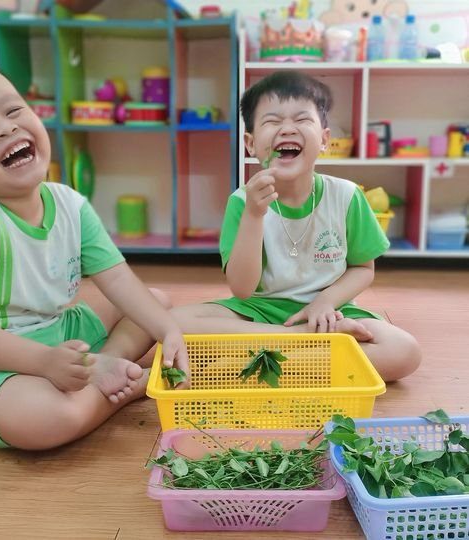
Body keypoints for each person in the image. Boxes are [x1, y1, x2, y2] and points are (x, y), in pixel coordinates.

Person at [0, 59, 188, 451]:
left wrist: (168, 331)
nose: (5, 128)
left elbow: (118, 279)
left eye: (13, 110)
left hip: (53, 328)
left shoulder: (69, 204)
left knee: (155, 303)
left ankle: (105, 367)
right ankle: (128, 383)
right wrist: (44, 362)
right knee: (48, 418)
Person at [171, 70, 421, 382]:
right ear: (250, 144)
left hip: (330, 312)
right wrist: (253, 215)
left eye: (302, 119)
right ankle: (299, 343)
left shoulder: (346, 196)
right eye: (272, 121)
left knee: (404, 351)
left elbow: (363, 269)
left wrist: (324, 302)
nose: (287, 128)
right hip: (259, 312)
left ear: (325, 140)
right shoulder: (242, 201)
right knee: (172, 322)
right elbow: (242, 289)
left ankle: (248, 364)